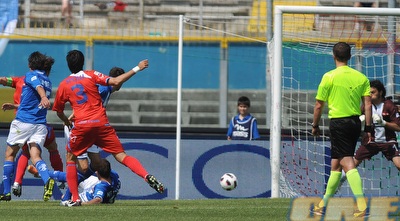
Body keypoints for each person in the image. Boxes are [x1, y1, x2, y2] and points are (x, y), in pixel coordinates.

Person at [52, 50, 164, 206]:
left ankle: (75, 199)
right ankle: (146, 176)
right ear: (82, 62)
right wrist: (137, 68)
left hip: (82, 125)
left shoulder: (64, 84)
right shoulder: (92, 75)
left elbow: (58, 111)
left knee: (71, 157)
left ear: (68, 64)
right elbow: (116, 82)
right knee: (121, 156)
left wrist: (66, 120)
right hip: (101, 123)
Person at [311, 42, 372, 218]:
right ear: (350, 56)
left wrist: (315, 126)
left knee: (347, 162)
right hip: (355, 123)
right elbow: (367, 104)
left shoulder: (328, 77)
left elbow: (318, 105)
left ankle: (361, 206)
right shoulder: (361, 77)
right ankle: (322, 205)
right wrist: (368, 127)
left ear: (333, 56)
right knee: (335, 165)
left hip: (338, 124)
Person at [0, 58, 64, 198]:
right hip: (41, 125)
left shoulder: (27, 77)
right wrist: (16, 105)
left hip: (23, 122)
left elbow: (6, 80)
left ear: (30, 65)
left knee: (11, 154)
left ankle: (7, 190)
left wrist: (42, 97)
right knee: (39, 154)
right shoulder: (48, 81)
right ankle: (49, 180)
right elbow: (34, 100)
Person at [355, 80, 400, 169]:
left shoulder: (389, 105)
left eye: (373, 92)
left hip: (388, 141)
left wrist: (383, 123)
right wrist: (361, 123)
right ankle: (339, 182)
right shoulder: (365, 106)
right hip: (370, 141)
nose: (370, 94)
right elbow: (357, 125)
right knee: (351, 165)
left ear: (381, 92)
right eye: (369, 92)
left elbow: (398, 127)